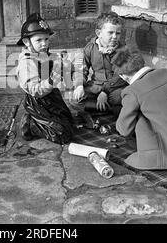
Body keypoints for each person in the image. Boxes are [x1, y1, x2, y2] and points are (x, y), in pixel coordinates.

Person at [16, 13, 73, 144]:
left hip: (51, 97)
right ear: (26, 41)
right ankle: (30, 124)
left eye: (46, 39)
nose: (44, 44)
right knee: (62, 134)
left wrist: (62, 62)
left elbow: (50, 61)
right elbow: (35, 90)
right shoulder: (27, 62)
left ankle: (44, 121)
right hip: (38, 101)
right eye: (39, 40)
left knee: (69, 121)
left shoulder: (40, 53)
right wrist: (53, 79)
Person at [72, 12, 128, 117]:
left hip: (115, 88)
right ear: (98, 33)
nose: (115, 37)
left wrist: (105, 92)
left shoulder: (123, 51)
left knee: (120, 97)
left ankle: (100, 108)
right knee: (74, 98)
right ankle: (109, 110)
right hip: (96, 86)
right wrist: (79, 85)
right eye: (110, 33)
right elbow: (80, 69)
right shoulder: (90, 48)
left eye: (118, 33)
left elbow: (120, 76)